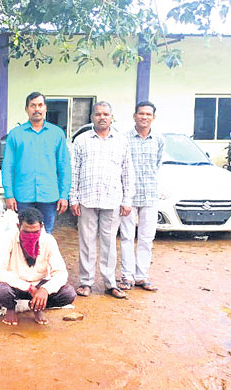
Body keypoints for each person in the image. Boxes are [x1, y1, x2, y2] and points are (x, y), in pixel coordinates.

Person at [70, 101, 135, 299]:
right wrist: (73, 197)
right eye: (98, 114)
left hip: (112, 200)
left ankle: (110, 283)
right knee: (86, 242)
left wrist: (127, 200)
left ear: (112, 117)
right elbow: (74, 171)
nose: (102, 117)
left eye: (106, 114)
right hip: (87, 199)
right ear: (92, 117)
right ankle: (86, 282)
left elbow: (127, 172)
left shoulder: (121, 141)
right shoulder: (81, 141)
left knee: (109, 243)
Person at [1, 92, 72, 234]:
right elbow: (8, 166)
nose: (37, 109)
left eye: (40, 105)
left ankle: (43, 258)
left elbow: (64, 166)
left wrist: (64, 195)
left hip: (49, 196)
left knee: (46, 235)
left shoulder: (57, 134)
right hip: (22, 196)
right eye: (33, 105)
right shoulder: (15, 134)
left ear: (45, 108)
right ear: (26, 109)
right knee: (23, 235)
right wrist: (9, 194)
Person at [0, 208, 76, 326]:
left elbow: (61, 273)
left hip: (39, 286)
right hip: (15, 285)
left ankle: (37, 308)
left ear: (41, 227)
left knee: (68, 293)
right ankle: (11, 309)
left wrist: (45, 289)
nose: (31, 236)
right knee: (0, 290)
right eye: (26, 232)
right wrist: (28, 287)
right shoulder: (9, 239)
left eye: (35, 232)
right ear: (18, 226)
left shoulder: (48, 240)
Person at [118, 101, 163, 292]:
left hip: (151, 195)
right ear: (134, 116)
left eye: (148, 114)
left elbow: (158, 165)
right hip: (129, 196)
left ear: (153, 117)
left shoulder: (159, 140)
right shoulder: (124, 138)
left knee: (146, 238)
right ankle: (127, 276)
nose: (144, 117)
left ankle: (141, 276)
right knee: (127, 237)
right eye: (141, 113)